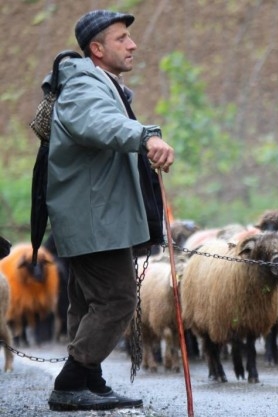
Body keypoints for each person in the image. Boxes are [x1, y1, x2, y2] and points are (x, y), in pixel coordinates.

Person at [44, 9, 174, 412]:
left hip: (97, 216)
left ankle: (92, 381)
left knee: (86, 303)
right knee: (117, 300)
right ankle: (70, 382)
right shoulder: (84, 83)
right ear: (97, 50)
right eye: (121, 39)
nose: (133, 44)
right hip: (94, 218)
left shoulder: (100, 82)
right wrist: (146, 136)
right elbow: (97, 124)